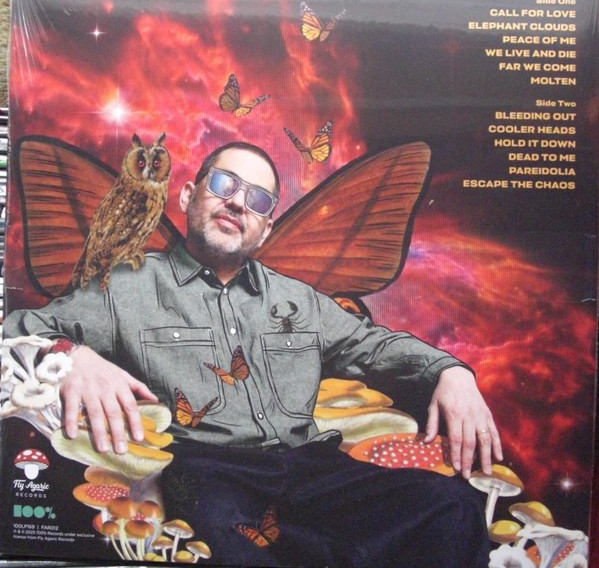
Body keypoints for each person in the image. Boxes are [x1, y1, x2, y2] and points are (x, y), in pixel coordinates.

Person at [3, 141, 502, 567]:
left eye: (258, 199)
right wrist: (74, 355)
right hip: (206, 470)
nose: (238, 202)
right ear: (187, 196)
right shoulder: (126, 287)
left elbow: (375, 345)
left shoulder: (300, 300)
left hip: (311, 469)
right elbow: (19, 328)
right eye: (224, 184)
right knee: (228, 535)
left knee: (450, 506)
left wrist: (451, 371)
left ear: (264, 229)